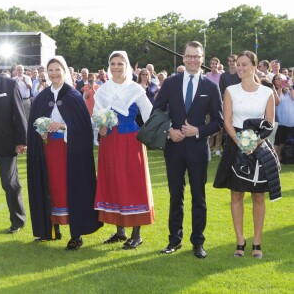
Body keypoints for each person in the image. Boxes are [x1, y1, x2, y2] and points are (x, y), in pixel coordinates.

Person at [152, 41, 223, 258]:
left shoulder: (210, 87)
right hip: (173, 149)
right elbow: (157, 111)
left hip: (198, 150)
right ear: (183, 58)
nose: (193, 60)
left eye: (197, 56)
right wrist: (168, 130)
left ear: (203, 58)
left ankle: (198, 242)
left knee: (198, 197)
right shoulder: (171, 83)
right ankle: (174, 240)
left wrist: (198, 130)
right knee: (175, 195)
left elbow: (218, 122)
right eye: (189, 56)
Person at [27, 56, 102, 250]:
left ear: (64, 71)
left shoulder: (73, 96)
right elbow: (33, 124)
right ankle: (52, 228)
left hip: (69, 151)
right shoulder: (42, 97)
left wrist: (62, 126)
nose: (53, 73)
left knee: (70, 188)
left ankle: (76, 235)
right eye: (50, 70)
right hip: (47, 150)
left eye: (57, 70)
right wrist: (40, 131)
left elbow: (83, 126)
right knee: (50, 186)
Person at [213, 51, 281, 259]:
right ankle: (240, 241)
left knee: (258, 196)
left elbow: (269, 123)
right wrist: (240, 142)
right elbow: (227, 120)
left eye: (244, 64)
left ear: (254, 66)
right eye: (237, 64)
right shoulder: (230, 90)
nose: (239, 68)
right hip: (236, 146)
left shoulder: (266, 92)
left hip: (259, 146)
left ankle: (257, 242)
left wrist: (253, 143)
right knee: (236, 194)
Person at [94, 51, 154, 250]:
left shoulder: (135, 88)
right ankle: (120, 231)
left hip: (130, 142)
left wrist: (154, 135)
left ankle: (136, 234)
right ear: (109, 66)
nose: (116, 67)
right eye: (113, 63)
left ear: (126, 66)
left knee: (132, 183)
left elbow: (149, 114)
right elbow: (96, 116)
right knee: (114, 182)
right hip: (109, 142)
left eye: (120, 63)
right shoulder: (103, 90)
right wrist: (100, 128)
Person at [0, 50, 27, 234]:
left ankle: (18, 220)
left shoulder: (9, 83)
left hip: (6, 142)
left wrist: (22, 140)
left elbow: (19, 113)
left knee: (9, 183)